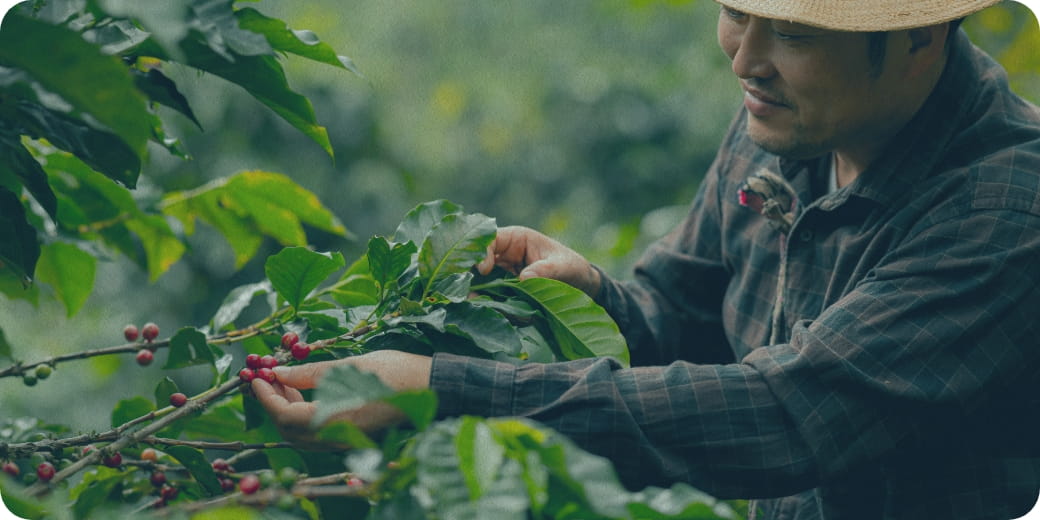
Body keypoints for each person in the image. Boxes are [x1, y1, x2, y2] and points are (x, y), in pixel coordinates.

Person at [253, 0, 1040, 517]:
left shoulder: (1004, 209)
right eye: (736, 12)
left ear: (919, 37)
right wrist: (595, 292)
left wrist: (439, 389)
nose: (746, 59)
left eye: (794, 34)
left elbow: (787, 416)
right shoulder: (789, 119)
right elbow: (688, 319)